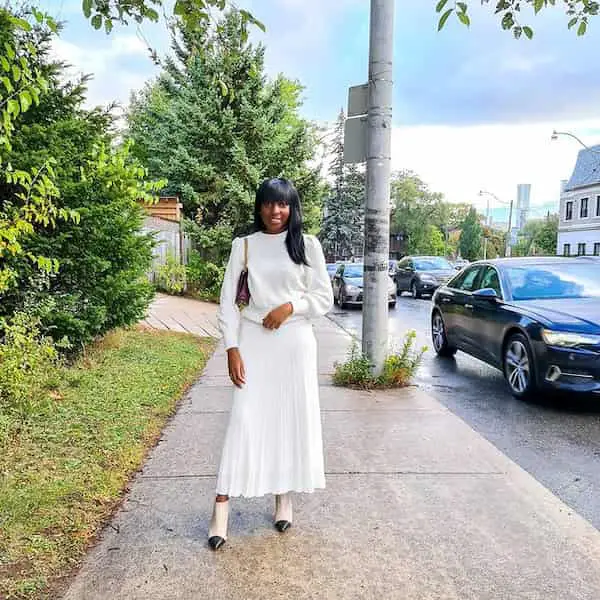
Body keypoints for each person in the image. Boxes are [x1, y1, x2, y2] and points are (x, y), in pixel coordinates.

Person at [208, 178, 334, 550]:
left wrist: (290, 307)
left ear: (293, 208)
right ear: (259, 207)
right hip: (254, 342)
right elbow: (228, 302)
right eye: (268, 204)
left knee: (288, 420)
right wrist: (232, 347)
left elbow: (324, 296)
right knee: (243, 420)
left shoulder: (307, 245)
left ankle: (283, 496)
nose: (275, 212)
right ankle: (220, 508)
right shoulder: (243, 246)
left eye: (283, 205)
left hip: (295, 343)